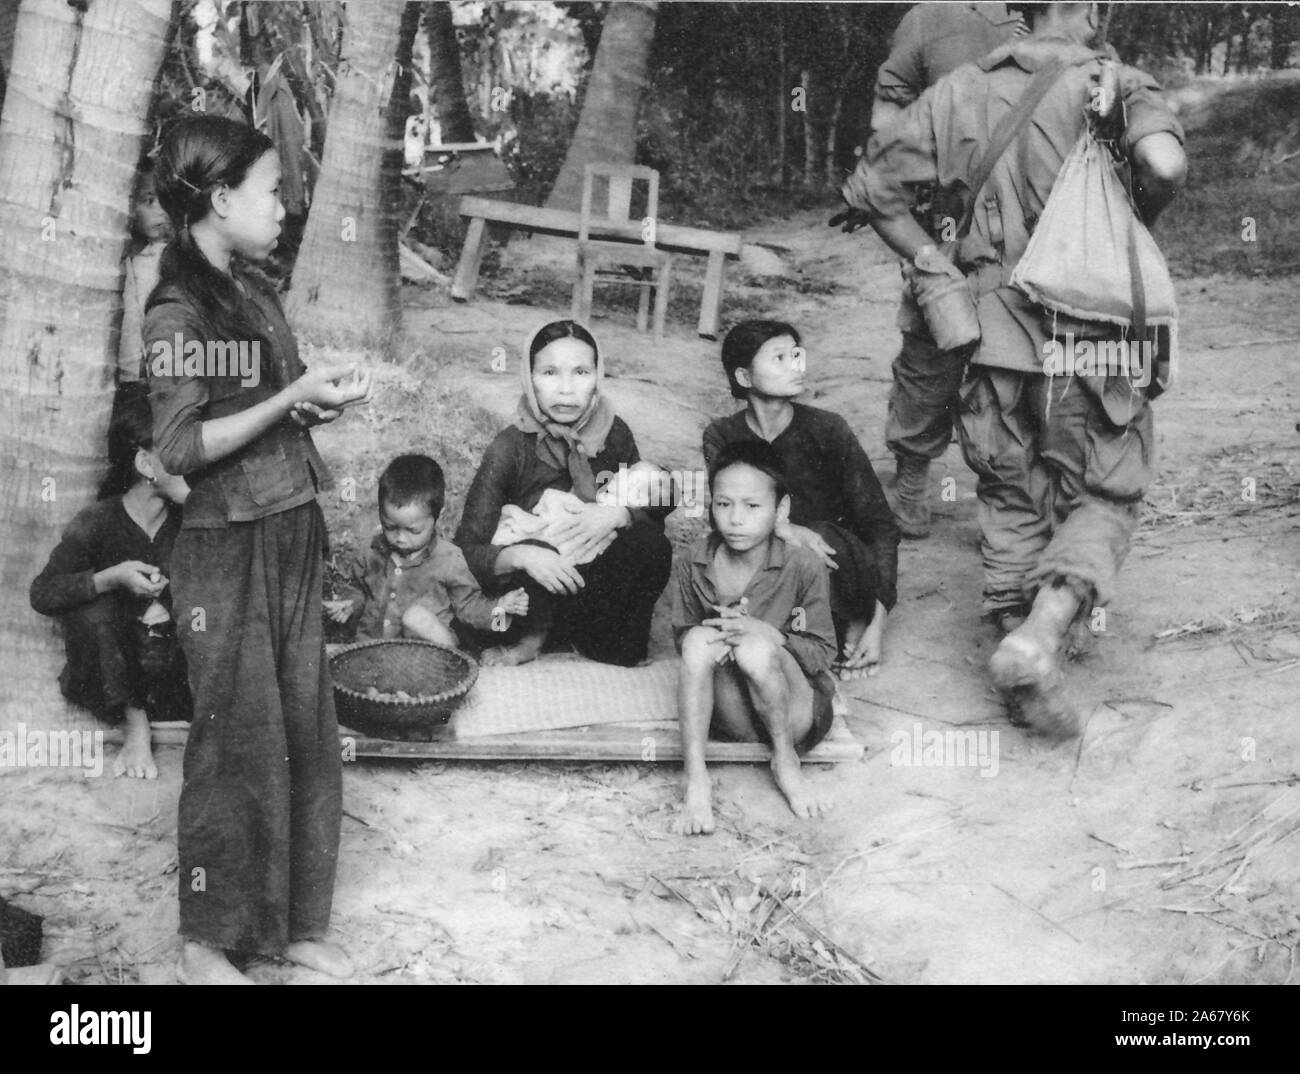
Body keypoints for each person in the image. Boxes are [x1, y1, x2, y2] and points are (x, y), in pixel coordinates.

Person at [841, 1, 1186, 735]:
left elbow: (874, 191)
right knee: (1103, 489)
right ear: (1095, 8)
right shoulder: (1115, 82)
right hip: (1090, 334)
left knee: (1009, 495)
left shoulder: (959, 88)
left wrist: (933, 262)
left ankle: (1013, 643)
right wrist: (1133, 210)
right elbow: (1164, 162)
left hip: (987, 334)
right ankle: (1042, 630)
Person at [145, 114, 373, 984]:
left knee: (303, 727)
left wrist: (311, 402)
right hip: (221, 545)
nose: (286, 205)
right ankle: (203, 944)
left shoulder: (250, 287)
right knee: (233, 737)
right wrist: (289, 404)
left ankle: (290, 927)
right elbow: (178, 447)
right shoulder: (176, 307)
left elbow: (260, 402)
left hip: (286, 520)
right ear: (219, 198)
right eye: (273, 190)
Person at [835, 2, 1024, 538]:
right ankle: (913, 481)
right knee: (933, 344)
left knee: (1020, 358)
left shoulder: (1059, 16)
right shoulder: (930, 18)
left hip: (1032, 216)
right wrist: (897, 189)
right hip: (949, 213)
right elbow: (887, 119)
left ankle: (1006, 497)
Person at [455, 320, 673, 668]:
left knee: (650, 542)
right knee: (536, 550)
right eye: (550, 372)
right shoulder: (510, 448)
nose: (567, 389)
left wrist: (621, 514)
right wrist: (522, 556)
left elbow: (660, 500)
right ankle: (532, 640)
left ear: (598, 377)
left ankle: (604, 643)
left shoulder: (614, 434)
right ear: (530, 377)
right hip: (531, 595)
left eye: (582, 372)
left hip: (588, 587)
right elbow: (466, 550)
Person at [703, 320, 898, 680]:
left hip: (833, 565)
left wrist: (877, 622)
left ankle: (845, 624)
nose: (796, 366)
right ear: (745, 378)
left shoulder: (828, 430)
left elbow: (880, 525)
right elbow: (721, 515)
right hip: (765, 563)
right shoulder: (723, 436)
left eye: (796, 355)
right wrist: (784, 527)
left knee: (821, 536)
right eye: (779, 358)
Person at [673, 441, 837, 833]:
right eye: (723, 504)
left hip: (793, 713)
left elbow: (822, 652)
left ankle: (785, 763)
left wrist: (768, 634)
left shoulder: (802, 564)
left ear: (781, 510)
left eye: (752, 506)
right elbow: (681, 634)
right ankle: (696, 778)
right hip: (733, 717)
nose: (735, 519)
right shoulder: (694, 560)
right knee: (697, 641)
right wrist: (718, 637)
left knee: (754, 647)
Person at [30, 397, 191, 781]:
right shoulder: (97, 521)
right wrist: (110, 578)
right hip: (115, 678)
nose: (194, 463)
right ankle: (136, 728)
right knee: (93, 610)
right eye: (180, 452)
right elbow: (42, 593)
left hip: (172, 673)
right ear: (145, 464)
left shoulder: (190, 523)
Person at [327, 454, 528, 647]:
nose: (400, 538)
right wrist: (350, 604)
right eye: (390, 527)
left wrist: (500, 608)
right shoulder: (371, 552)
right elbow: (357, 589)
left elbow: (469, 606)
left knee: (416, 618)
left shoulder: (449, 559)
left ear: (437, 516)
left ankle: (448, 664)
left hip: (426, 657)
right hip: (372, 650)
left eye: (413, 530)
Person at [118, 159, 171, 389]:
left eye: (165, 201)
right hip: (140, 373)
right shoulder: (129, 263)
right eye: (148, 201)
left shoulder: (177, 254)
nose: (160, 211)